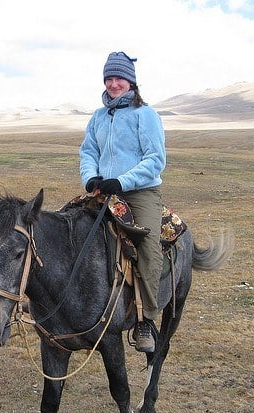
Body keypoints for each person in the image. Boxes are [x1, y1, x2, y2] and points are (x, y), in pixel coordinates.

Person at [79, 51, 166, 353]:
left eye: (119, 78)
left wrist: (124, 181)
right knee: (72, 230)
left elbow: (155, 159)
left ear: (131, 82)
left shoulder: (146, 115)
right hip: (104, 190)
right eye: (109, 78)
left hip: (140, 192)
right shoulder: (98, 117)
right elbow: (88, 151)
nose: (114, 84)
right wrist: (90, 177)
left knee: (148, 247)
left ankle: (147, 319)